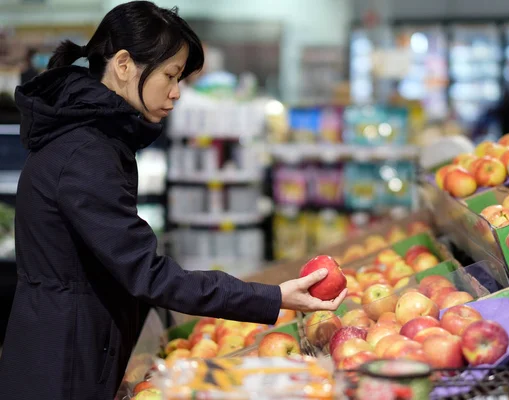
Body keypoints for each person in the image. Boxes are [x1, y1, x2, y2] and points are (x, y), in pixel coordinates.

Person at [0, 2, 347, 399]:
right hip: (63, 362)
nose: (177, 92)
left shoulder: (97, 139)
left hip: (68, 341)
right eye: (170, 75)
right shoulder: (86, 154)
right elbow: (147, 273)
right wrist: (271, 297)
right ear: (124, 64)